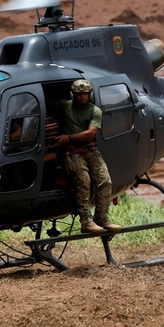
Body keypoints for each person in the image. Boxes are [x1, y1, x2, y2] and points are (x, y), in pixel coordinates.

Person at [51, 79, 122, 234]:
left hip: (90, 149)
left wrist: (68, 137)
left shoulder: (95, 111)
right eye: (79, 95)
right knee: (84, 180)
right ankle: (86, 221)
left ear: (90, 95)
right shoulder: (65, 105)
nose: (82, 97)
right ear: (73, 95)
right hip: (72, 151)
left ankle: (102, 217)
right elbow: (46, 104)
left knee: (105, 181)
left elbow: (91, 133)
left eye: (85, 94)